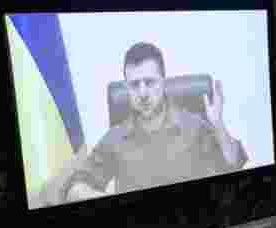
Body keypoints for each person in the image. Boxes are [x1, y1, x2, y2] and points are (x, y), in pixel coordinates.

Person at [54, 42, 247, 205]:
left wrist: (218, 125)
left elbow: (233, 164)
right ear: (127, 88)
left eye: (150, 82)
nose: (143, 93)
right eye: (135, 84)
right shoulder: (115, 138)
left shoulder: (194, 125)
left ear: (163, 82)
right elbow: (74, 187)